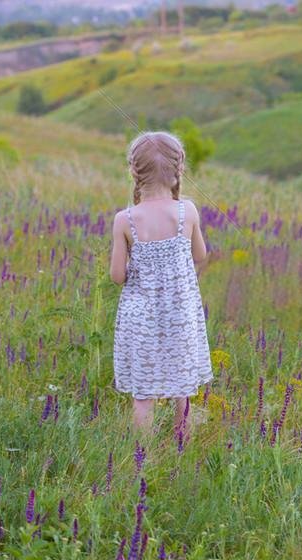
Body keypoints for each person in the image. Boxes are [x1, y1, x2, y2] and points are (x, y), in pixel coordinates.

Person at [110, 131, 213, 443]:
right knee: (182, 387)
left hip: (141, 320)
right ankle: (183, 445)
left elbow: (116, 276)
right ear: (179, 170)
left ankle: (144, 457)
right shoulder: (188, 212)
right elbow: (201, 255)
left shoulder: (125, 219)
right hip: (180, 315)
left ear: (133, 171)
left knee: (143, 394)